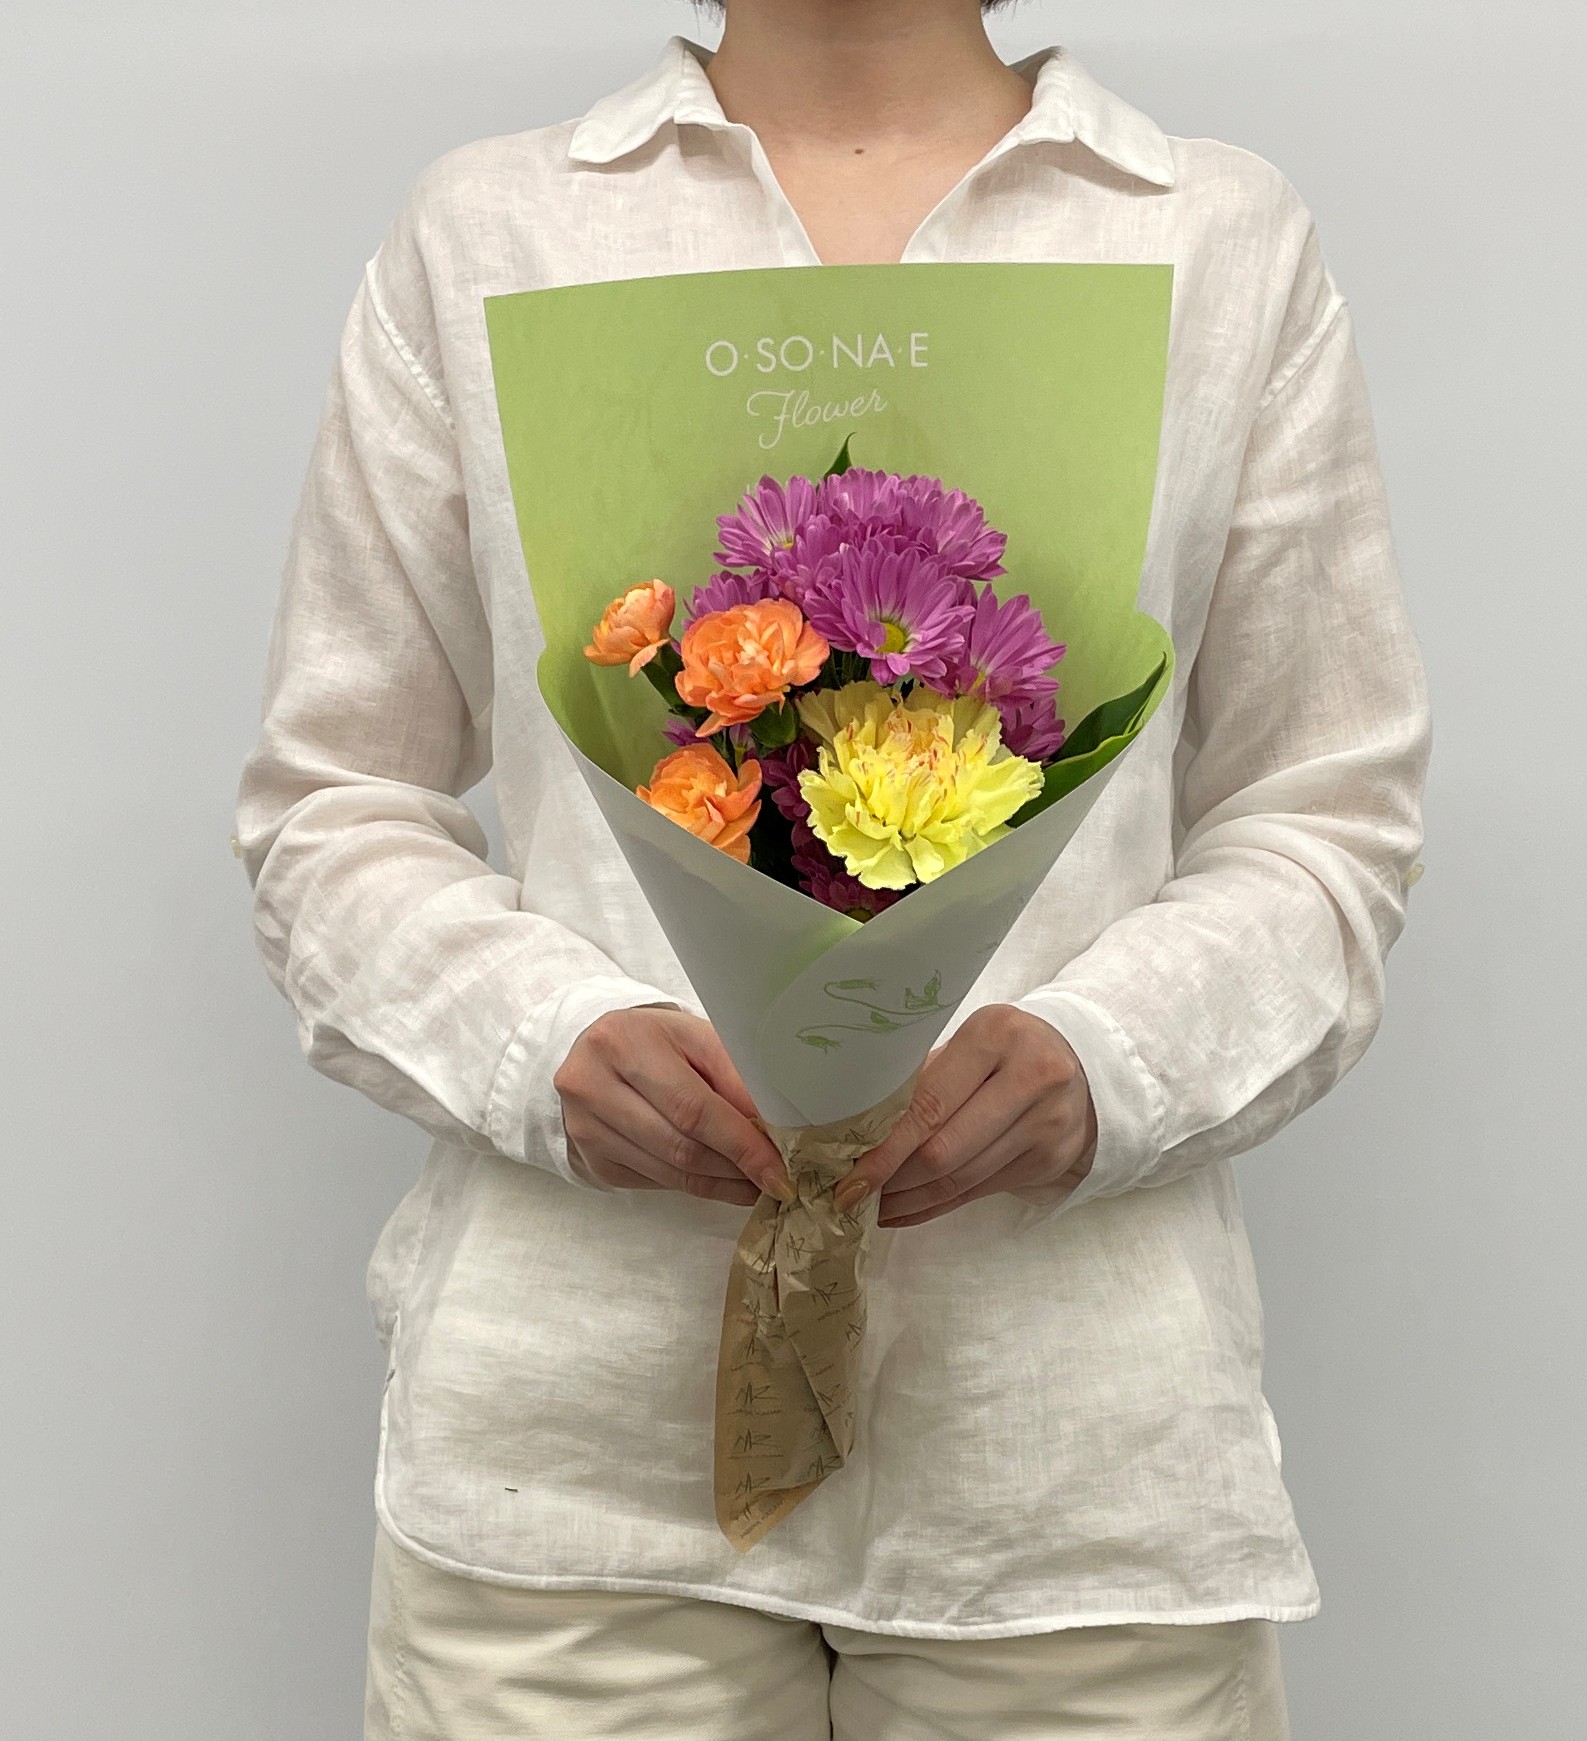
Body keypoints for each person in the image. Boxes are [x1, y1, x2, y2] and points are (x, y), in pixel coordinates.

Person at [235, 0, 1431, 1735]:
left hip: (1066, 1467)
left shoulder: (1208, 235)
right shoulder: (497, 230)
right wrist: (542, 1041)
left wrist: (1106, 1060)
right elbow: (334, 796)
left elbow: (1325, 811)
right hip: (574, 1469)